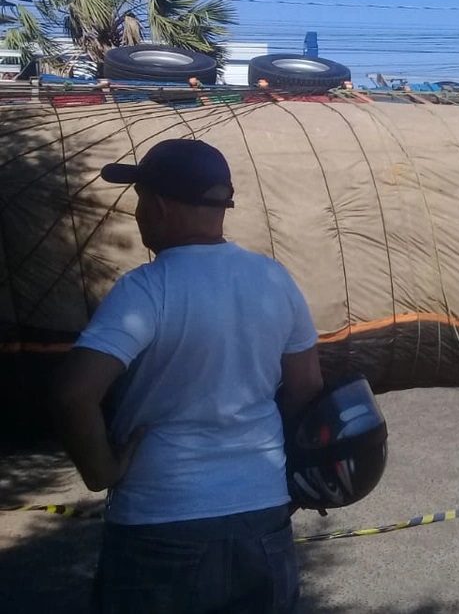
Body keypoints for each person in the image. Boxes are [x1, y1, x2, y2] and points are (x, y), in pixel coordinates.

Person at [52, 138, 325, 613]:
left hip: (160, 522)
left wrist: (103, 472)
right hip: (261, 518)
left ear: (158, 207)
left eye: (138, 202)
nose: (136, 217)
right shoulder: (274, 279)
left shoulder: (146, 290)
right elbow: (307, 391)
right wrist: (290, 484)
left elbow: (74, 394)